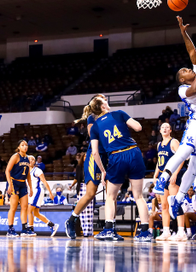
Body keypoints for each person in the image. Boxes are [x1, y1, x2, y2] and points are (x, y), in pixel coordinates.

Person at [155, 17, 196, 229]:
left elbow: (192, 53)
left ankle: (179, 199)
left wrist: (184, 33)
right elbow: (194, 90)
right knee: (184, 151)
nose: (189, 69)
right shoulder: (183, 89)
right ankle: (163, 178)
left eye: (190, 69)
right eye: (185, 71)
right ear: (182, 79)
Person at [84, 96, 151, 242]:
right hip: (133, 152)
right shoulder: (119, 113)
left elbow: (95, 152)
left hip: (116, 156)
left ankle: (109, 229)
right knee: (138, 196)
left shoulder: (95, 127)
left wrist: (102, 171)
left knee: (110, 196)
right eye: (105, 102)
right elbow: (139, 127)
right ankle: (145, 232)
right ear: (102, 107)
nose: (108, 102)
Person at [65, 94, 109, 239]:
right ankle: (71, 220)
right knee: (90, 193)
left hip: (108, 154)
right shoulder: (93, 117)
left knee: (111, 193)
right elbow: (92, 134)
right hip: (94, 156)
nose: (105, 100)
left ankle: (110, 228)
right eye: (102, 99)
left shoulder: (111, 116)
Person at [151, 123, 186, 241]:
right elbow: (159, 162)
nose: (165, 129)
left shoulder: (174, 142)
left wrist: (175, 173)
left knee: (175, 203)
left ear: (170, 130)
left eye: (167, 127)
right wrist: (155, 175)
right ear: (160, 131)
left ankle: (181, 232)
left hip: (172, 175)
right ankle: (166, 231)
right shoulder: (159, 145)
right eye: (162, 127)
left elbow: (181, 158)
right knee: (164, 205)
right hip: (162, 175)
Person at [5, 140, 32, 237]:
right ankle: (10, 229)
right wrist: (9, 184)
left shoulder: (28, 158)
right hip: (14, 183)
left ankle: (24, 229)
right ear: (18, 147)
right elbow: (7, 171)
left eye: (26, 145)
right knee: (13, 207)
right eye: (23, 145)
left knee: (25, 207)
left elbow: (28, 175)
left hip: (23, 184)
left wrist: (31, 187)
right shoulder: (15, 156)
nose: (25, 146)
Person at [26, 156, 58, 236]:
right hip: (31, 193)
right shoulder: (25, 171)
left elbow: (44, 181)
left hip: (37, 191)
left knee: (29, 210)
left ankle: (31, 230)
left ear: (35, 162)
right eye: (29, 159)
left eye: (33, 159)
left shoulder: (37, 170)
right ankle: (52, 225)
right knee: (36, 213)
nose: (31, 160)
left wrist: (50, 193)